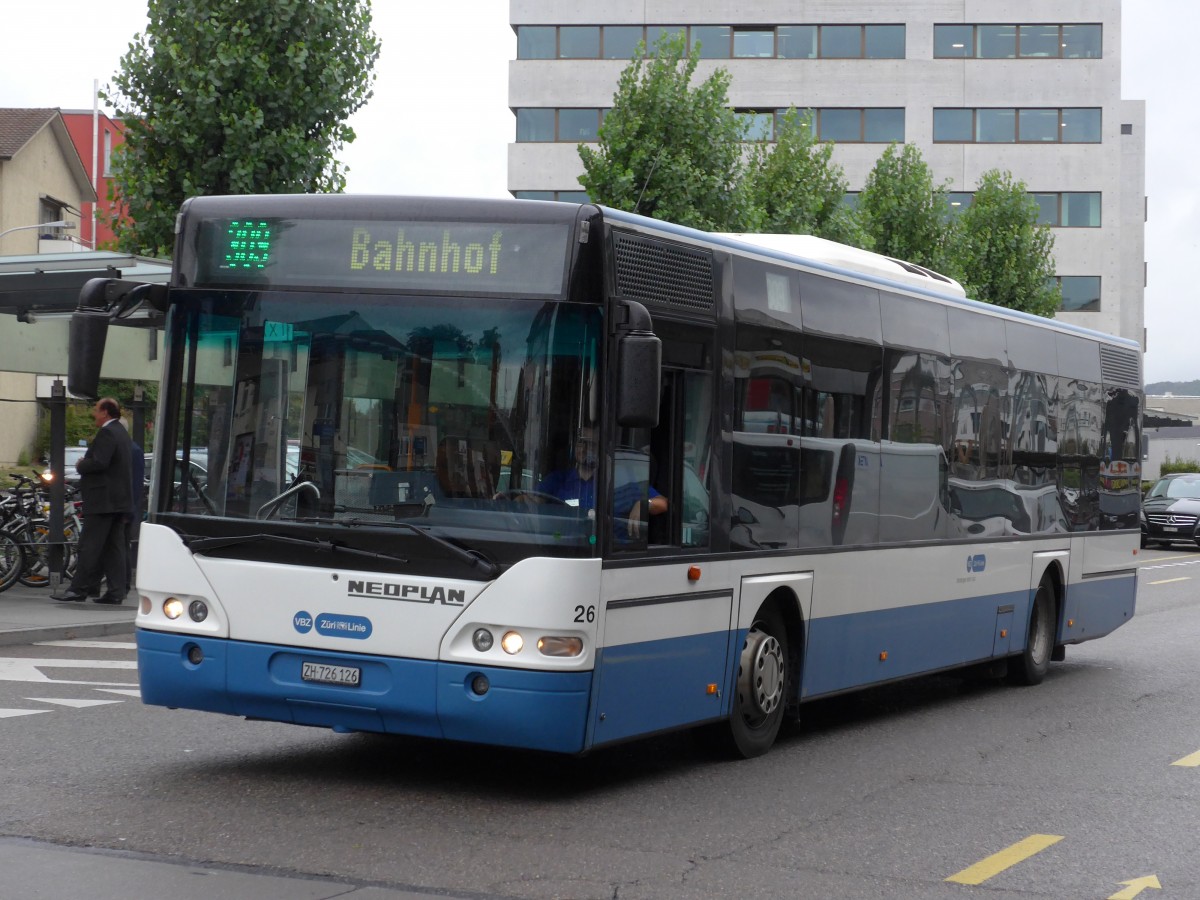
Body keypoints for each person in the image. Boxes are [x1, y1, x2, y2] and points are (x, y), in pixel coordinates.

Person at [50, 398, 134, 604]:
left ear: (105, 412)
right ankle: (115, 592)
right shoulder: (121, 433)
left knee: (89, 546)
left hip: (102, 502)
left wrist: (81, 464)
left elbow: (99, 462)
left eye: (96, 410)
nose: (94, 414)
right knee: (114, 548)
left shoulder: (107, 432)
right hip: (117, 502)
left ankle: (78, 590)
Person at [538, 427, 666, 537]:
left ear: (600, 450)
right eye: (581, 443)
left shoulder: (621, 483)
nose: (584, 449)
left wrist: (643, 503)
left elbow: (663, 503)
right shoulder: (558, 480)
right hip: (565, 549)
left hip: (611, 558)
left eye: (591, 444)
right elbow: (531, 501)